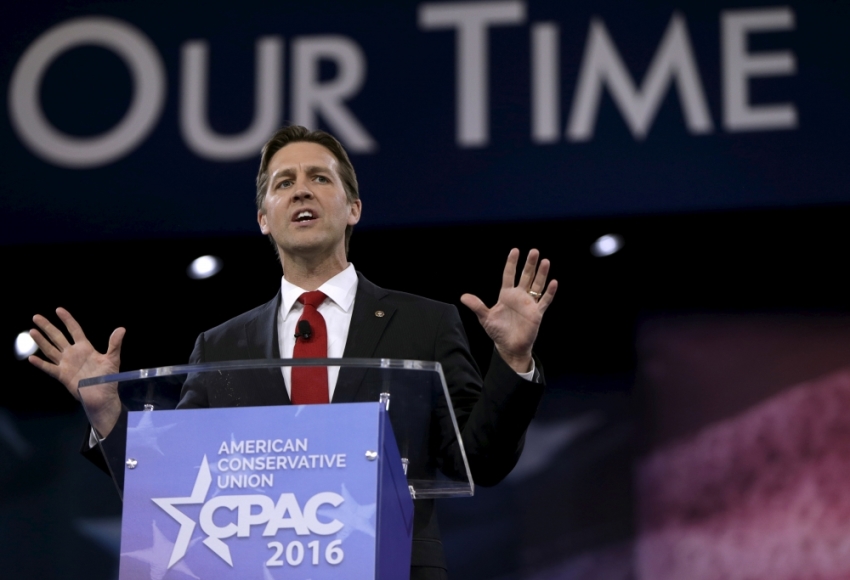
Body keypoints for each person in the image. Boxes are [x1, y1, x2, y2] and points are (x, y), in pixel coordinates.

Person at [28, 125, 558, 579]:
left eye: (319, 178)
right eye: (285, 183)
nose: (302, 191)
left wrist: (512, 362)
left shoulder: (425, 323)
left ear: (353, 209)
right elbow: (173, 488)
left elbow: (479, 461)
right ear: (264, 217)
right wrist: (107, 415)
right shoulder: (221, 345)